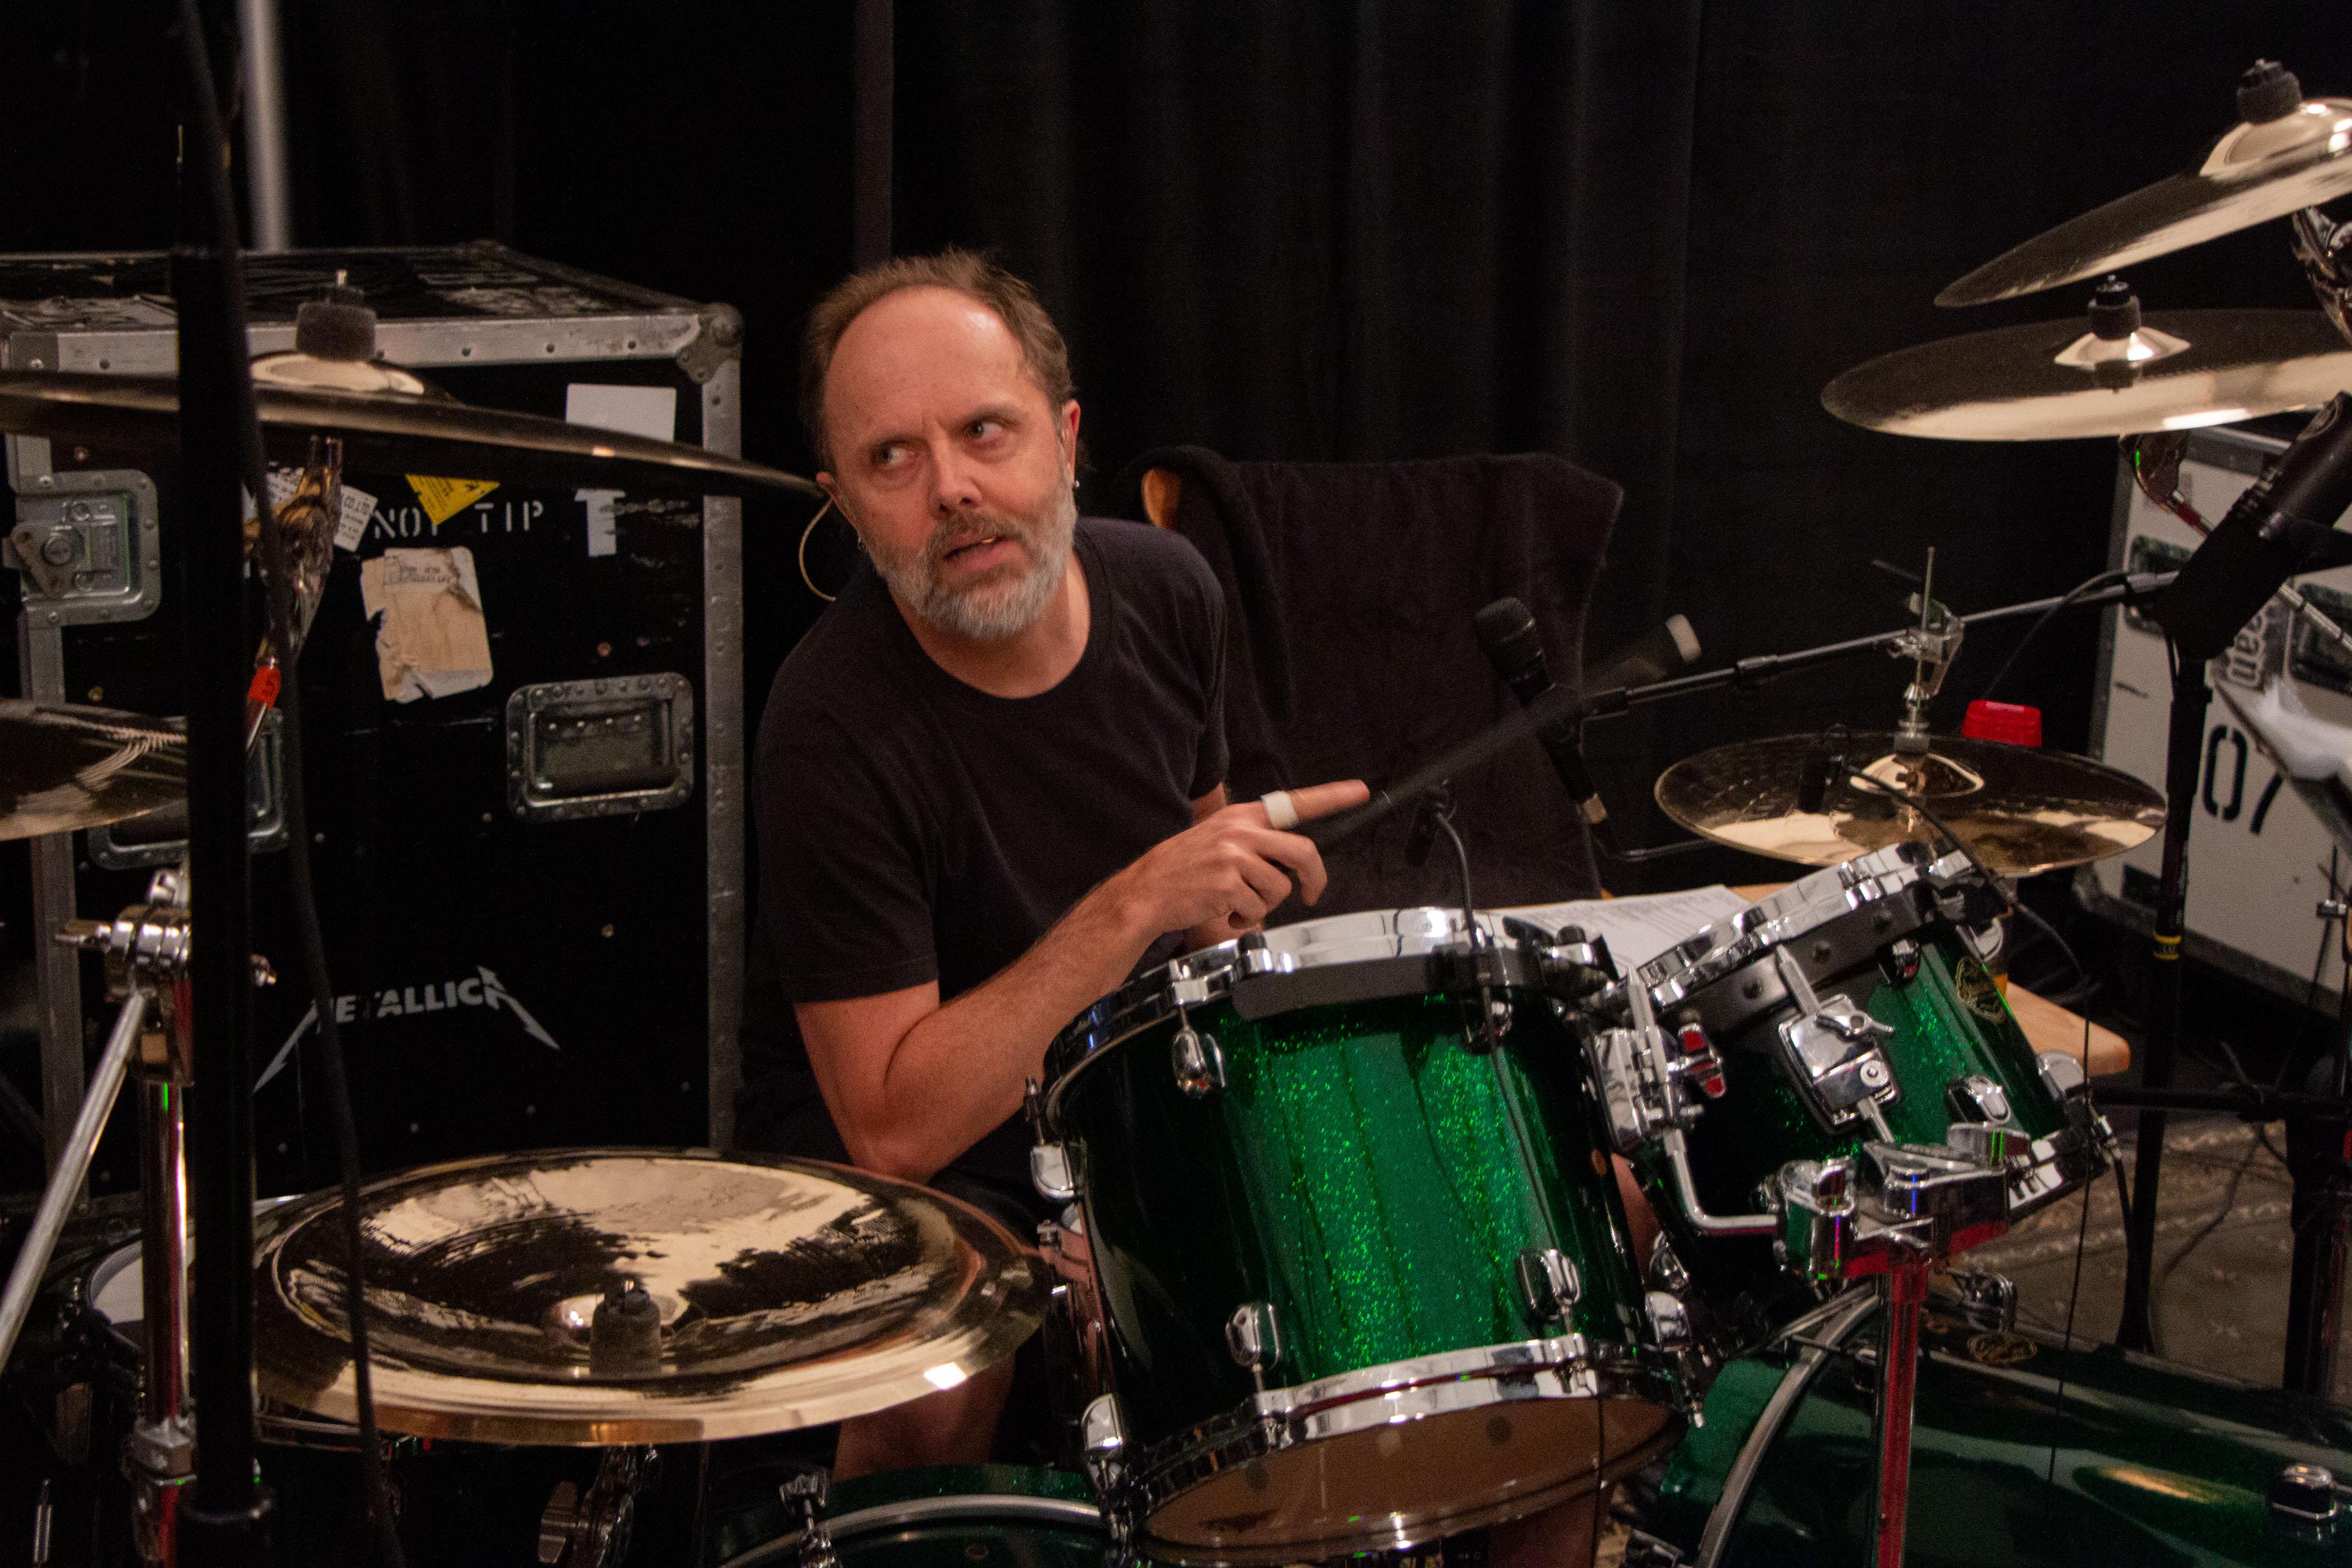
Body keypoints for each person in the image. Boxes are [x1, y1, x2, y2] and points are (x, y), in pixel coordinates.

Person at [734, 249, 1368, 1476]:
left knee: (1540, 1213)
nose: (953, 490)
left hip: (1114, 1099)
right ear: (844, 504)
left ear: (1066, 439)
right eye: (892, 458)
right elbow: (894, 1127)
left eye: (985, 431)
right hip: (919, 1158)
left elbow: (1208, 924)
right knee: (946, 1369)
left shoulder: (1171, 590)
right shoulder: (828, 727)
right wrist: (1137, 900)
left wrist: (1195, 1160)